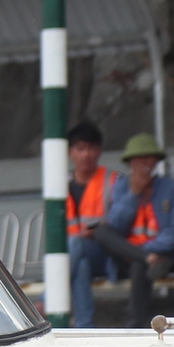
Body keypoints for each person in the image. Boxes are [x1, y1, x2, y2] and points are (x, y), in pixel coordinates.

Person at [88, 132, 174, 327]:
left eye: (148, 158)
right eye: (138, 159)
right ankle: (143, 257)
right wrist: (133, 194)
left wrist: (150, 249)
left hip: (159, 256)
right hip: (129, 254)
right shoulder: (121, 187)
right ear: (130, 163)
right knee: (101, 232)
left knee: (139, 265)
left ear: (156, 161)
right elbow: (115, 225)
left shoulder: (173, 190)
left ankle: (133, 325)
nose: (143, 164)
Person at [63, 121, 121, 329]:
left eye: (90, 148)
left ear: (99, 151)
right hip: (76, 257)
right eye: (80, 149)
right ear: (70, 152)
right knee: (81, 264)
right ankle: (84, 327)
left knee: (76, 245)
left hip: (105, 254)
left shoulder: (113, 180)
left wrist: (94, 231)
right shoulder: (61, 185)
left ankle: (47, 297)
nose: (86, 154)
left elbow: (120, 221)